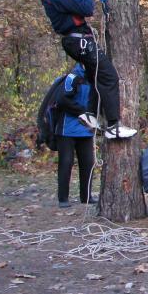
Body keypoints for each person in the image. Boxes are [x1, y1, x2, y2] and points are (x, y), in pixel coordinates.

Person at [40, 0, 136, 139]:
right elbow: (86, 8)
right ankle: (114, 126)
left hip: (75, 42)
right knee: (109, 77)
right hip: (80, 41)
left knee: (95, 77)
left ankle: (90, 114)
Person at [53, 63, 98, 207]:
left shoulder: (94, 79)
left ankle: (86, 197)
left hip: (86, 129)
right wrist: (82, 111)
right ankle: (63, 199)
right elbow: (62, 100)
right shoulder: (72, 78)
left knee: (88, 163)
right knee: (66, 163)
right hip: (67, 129)